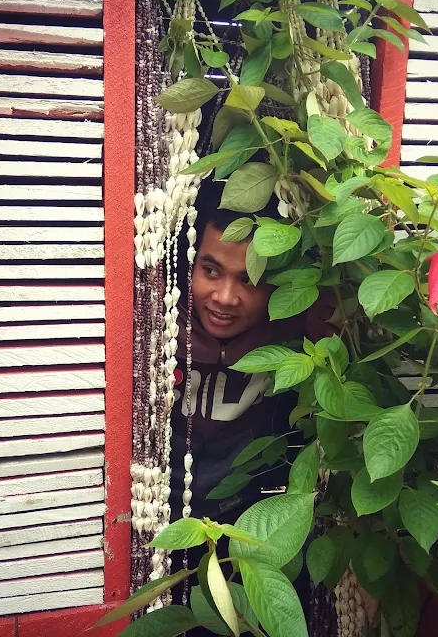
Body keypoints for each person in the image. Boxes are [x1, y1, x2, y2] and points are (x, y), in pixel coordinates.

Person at [167, 179, 333, 633]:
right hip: (161, 527)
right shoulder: (156, 322)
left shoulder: (296, 332)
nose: (225, 298)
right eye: (211, 270)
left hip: (251, 527)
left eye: (249, 279)